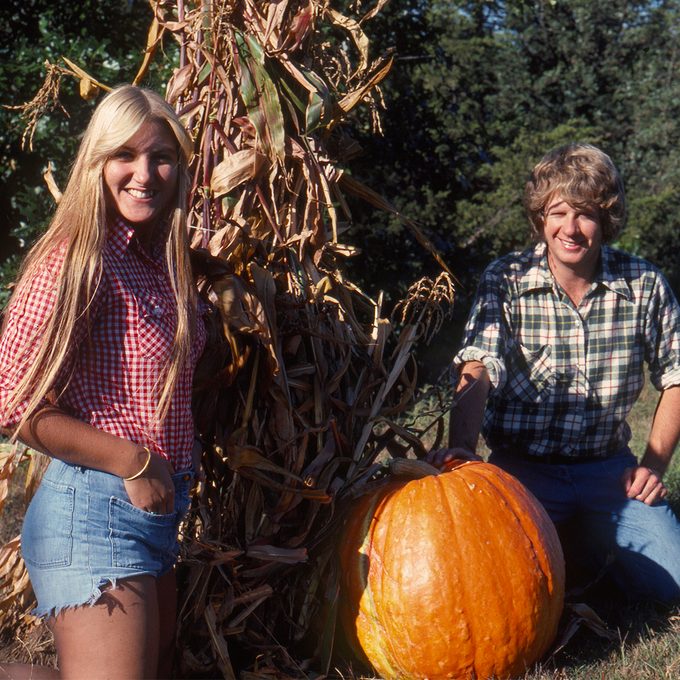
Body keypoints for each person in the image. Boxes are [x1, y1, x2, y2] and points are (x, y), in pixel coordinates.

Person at [0, 85, 206, 679]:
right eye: (126, 155)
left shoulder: (154, 263)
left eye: (161, 156)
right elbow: (14, 404)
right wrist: (135, 462)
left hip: (155, 517)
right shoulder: (74, 261)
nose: (145, 173)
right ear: (96, 163)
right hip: (95, 511)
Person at [431, 143, 680, 603]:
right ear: (540, 218)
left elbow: (676, 375)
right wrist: (463, 449)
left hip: (610, 471)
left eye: (584, 214)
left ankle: (584, 543)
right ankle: (571, 546)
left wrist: (653, 466)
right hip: (523, 470)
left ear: (604, 219)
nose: (570, 228)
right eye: (558, 212)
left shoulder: (644, 283)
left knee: (669, 582)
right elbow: (477, 365)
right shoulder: (505, 278)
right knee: (496, 585)